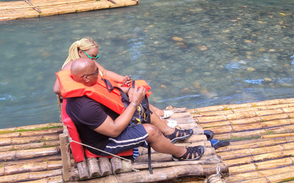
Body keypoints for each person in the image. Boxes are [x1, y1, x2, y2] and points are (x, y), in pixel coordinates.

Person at [56, 58, 205, 161]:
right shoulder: (84, 107)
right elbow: (113, 130)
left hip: (109, 124)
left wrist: (129, 92)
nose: (99, 73)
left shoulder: (88, 83)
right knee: (150, 131)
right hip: (104, 143)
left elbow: (110, 89)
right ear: (86, 77)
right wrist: (134, 103)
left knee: (142, 107)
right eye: (96, 72)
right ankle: (180, 154)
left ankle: (169, 134)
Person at [53, 37, 174, 120]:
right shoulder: (72, 66)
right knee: (131, 92)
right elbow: (57, 89)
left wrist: (122, 79)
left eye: (96, 57)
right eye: (92, 56)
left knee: (132, 86)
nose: (94, 60)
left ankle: (155, 112)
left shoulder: (88, 62)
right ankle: (153, 116)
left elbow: (104, 71)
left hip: (103, 88)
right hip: (99, 95)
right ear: (80, 52)